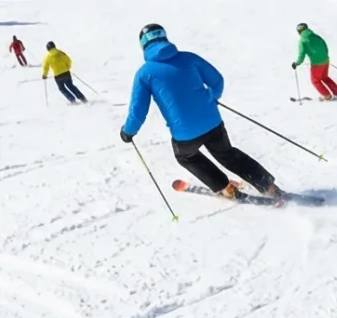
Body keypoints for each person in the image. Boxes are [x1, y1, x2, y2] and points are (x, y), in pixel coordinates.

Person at [121, 23, 284, 201]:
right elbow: (217, 81)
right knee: (228, 155)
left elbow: (138, 110)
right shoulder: (189, 58)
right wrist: (211, 97)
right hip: (213, 123)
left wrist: (128, 132)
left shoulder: (144, 73)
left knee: (186, 157)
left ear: (143, 45)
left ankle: (224, 187)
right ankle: (268, 186)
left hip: (185, 134)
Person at [294, 23, 337, 100]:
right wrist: (324, 56)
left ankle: (327, 95)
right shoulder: (316, 36)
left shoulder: (302, 40)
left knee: (315, 80)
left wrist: (296, 63)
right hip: (325, 60)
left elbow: (301, 55)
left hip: (316, 63)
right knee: (325, 78)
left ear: (299, 31)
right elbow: (325, 46)